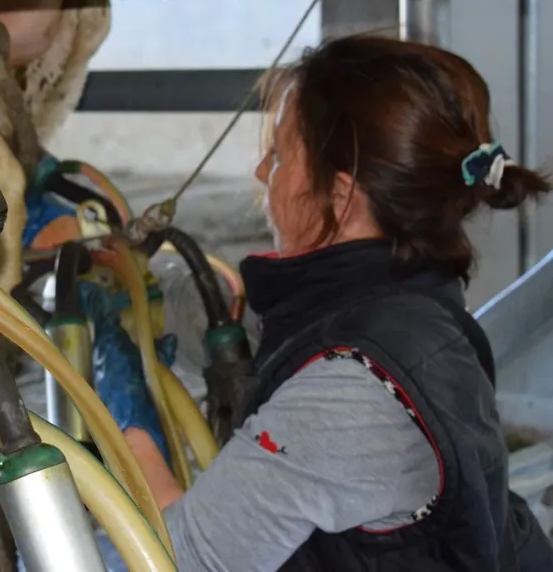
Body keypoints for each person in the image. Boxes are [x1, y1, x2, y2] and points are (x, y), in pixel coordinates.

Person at [93, 35, 553, 571]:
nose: (264, 173)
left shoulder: (355, 386)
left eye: (282, 155)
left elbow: (180, 561)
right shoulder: (403, 304)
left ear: (340, 194)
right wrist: (144, 287)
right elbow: (263, 330)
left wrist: (128, 429)